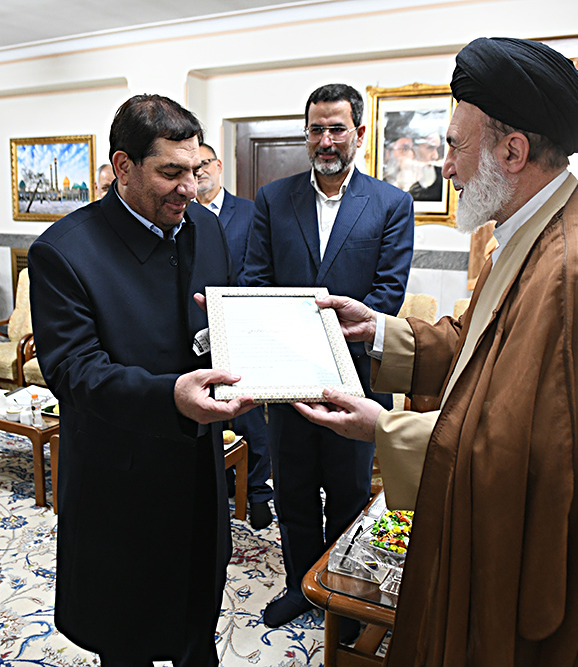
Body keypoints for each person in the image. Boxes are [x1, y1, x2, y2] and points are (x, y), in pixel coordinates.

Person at [294, 38, 578, 666]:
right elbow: (477, 343)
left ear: (512, 152)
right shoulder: (532, 233)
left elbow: (535, 459)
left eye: (454, 147)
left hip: (548, 578)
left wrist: (384, 429)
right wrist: (378, 329)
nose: (446, 168)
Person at [29, 94, 254, 667]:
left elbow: (219, 321)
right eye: (171, 173)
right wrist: (169, 397)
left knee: (198, 622)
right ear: (123, 167)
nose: (190, 189)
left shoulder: (206, 228)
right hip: (118, 480)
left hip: (199, 468)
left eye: (196, 170)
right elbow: (74, 371)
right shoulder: (62, 251)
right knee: (126, 633)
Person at [243, 83, 414, 634]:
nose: (325, 140)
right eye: (315, 129)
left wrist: (319, 341)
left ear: (358, 133)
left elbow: (386, 296)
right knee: (292, 493)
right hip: (287, 381)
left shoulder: (391, 204)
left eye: (336, 128)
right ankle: (300, 587)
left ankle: (341, 595)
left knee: (349, 496)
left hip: (356, 381)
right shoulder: (273, 199)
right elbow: (255, 281)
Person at [194, 141, 274, 530]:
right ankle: (222, 482)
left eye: (204, 164)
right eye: (192, 167)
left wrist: (235, 311)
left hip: (242, 326)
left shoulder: (249, 211)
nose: (199, 172)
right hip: (198, 331)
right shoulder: (182, 213)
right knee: (207, 412)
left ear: (219, 165)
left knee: (249, 415)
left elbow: (258, 267)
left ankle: (258, 492)